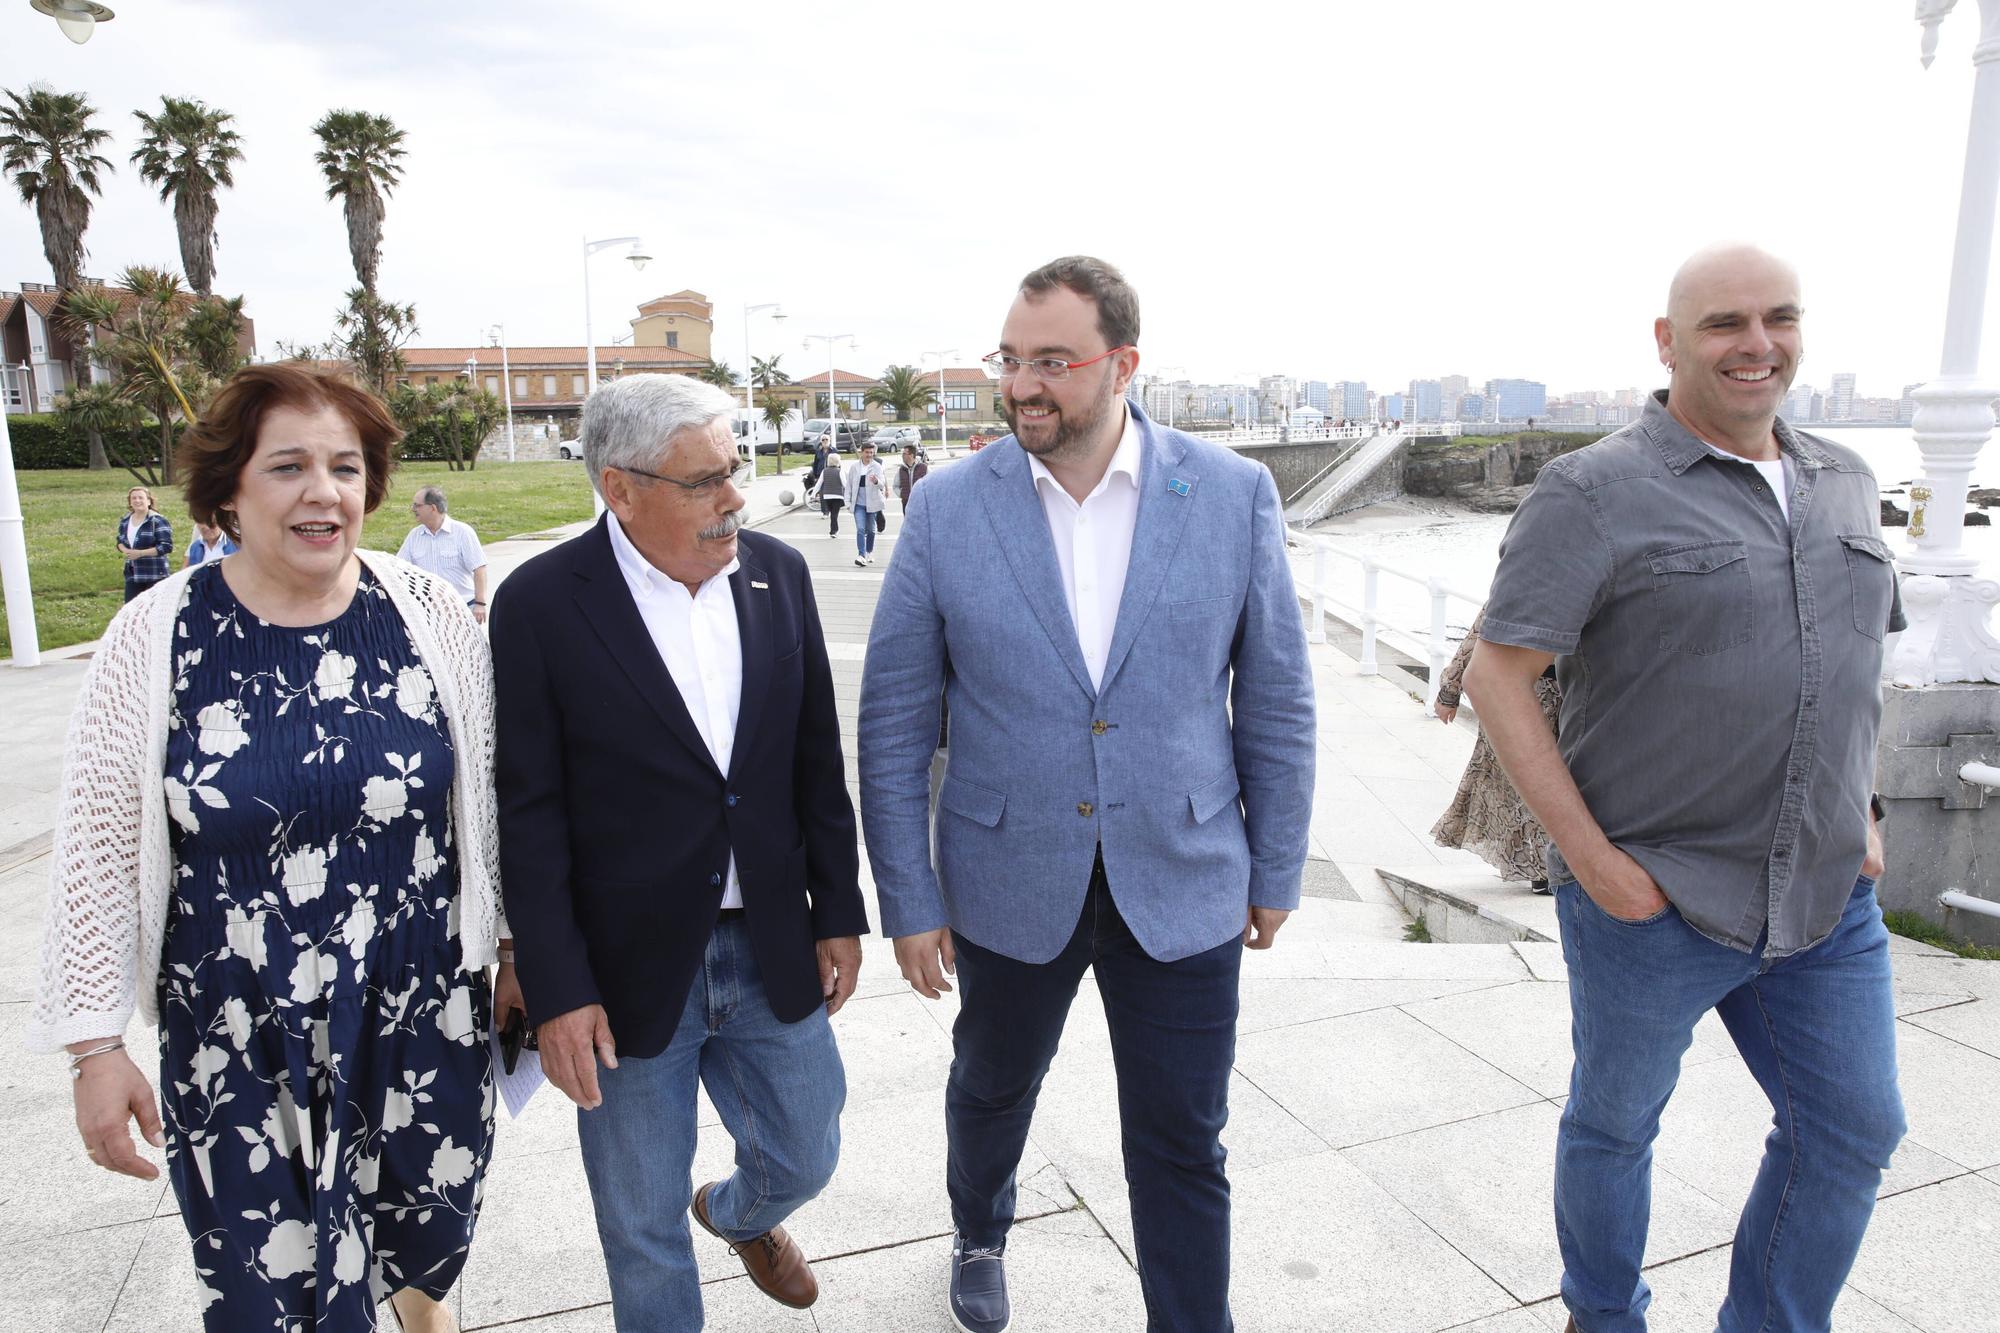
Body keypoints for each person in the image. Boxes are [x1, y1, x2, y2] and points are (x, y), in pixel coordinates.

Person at [859, 256, 1315, 1333]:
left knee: (1180, 1137)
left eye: (1050, 362)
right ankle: (978, 1226)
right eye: (1009, 360)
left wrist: (1278, 861)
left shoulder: (1232, 494)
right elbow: (891, 721)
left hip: (1186, 872)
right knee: (990, 1091)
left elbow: (1279, 698)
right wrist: (909, 897)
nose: (1023, 385)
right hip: (1005, 871)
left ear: (1122, 365)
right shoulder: (946, 509)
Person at [1462, 244, 1906, 1333]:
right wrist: (1598, 864)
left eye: (1777, 317)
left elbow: (1858, 662)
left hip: (1818, 897)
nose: (1755, 344)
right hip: (1653, 894)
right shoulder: (1591, 492)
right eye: (1722, 324)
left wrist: (1870, 810)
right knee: (1614, 1127)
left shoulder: (1845, 477)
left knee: (1851, 1128)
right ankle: (1601, 1316)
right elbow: (1498, 673)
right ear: (1667, 344)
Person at [30, 362, 513, 1333]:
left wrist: (509, 947)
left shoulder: (426, 616)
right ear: (230, 489)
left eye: (344, 465)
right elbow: (94, 849)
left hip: (416, 1013)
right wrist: (93, 1045)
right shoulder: (156, 637)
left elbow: (489, 799)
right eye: (288, 465)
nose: (322, 490)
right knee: (271, 1297)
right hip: (238, 1035)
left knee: (419, 1244)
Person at [489, 373, 867, 1329]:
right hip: (619, 974)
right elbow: (526, 811)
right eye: (704, 482)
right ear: (620, 488)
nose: (734, 497)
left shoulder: (778, 574)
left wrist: (840, 911)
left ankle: (740, 1214)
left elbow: (815, 756)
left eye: (731, 473)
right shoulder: (540, 603)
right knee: (639, 1223)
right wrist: (555, 981)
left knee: (808, 1150)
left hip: (768, 940)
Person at [1430, 607, 1557, 892]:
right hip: (1517, 694)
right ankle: (1540, 869)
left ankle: (1543, 866)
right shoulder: (1522, 581)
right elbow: (1478, 634)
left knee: (1548, 782)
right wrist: (1449, 691)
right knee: (1525, 785)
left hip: (1565, 695)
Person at [397, 485, 490, 624]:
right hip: (429, 613)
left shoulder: (463, 532)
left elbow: (479, 569)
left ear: (432, 508)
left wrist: (480, 604)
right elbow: (399, 567)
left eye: (417, 505)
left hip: (463, 609)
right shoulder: (414, 536)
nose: (413, 509)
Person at [117, 485, 173, 602]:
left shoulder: (157, 521)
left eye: (141, 498)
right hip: (133, 573)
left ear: (148, 501)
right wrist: (125, 550)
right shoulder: (125, 521)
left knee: (153, 611)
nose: (137, 501)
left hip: (155, 573)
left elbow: (166, 546)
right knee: (132, 610)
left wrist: (140, 553)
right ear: (130, 502)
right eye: (134, 498)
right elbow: (120, 541)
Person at [843, 440, 887, 567]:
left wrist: (876, 481)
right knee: (861, 529)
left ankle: (869, 551)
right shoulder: (854, 467)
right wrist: (847, 502)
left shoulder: (877, 467)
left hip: (872, 503)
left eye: (871, 453)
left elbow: (882, 484)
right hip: (858, 504)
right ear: (861, 452)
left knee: (871, 531)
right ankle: (861, 555)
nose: (869, 455)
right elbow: (849, 486)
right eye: (867, 452)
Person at [817, 438, 847, 538]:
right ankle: (833, 531)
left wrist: (813, 494)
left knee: (832, 514)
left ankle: (834, 530)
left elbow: (819, 484)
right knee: (835, 514)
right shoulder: (840, 471)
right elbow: (845, 484)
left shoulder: (824, 471)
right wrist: (849, 494)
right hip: (837, 496)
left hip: (827, 496)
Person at [896, 442, 930, 510]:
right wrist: (902, 495)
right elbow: (895, 486)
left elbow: (931, 484)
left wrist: (925, 496)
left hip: (920, 502)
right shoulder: (901, 469)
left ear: (911, 455)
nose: (902, 456)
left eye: (904, 454)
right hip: (906, 503)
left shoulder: (924, 468)